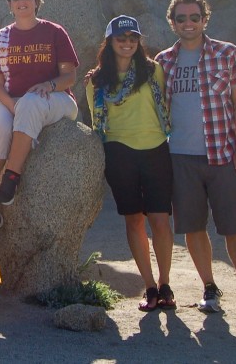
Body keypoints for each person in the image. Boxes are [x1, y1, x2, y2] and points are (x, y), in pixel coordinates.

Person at [155, 0, 236, 318]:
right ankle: (209, 287)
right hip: (180, 156)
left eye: (194, 17)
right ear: (172, 22)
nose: (189, 23)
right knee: (192, 227)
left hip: (222, 154)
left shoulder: (227, 54)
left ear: (205, 19)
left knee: (233, 226)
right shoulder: (163, 61)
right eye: (182, 18)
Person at [86, 15, 174, 312]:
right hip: (119, 153)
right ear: (109, 42)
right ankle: (149, 285)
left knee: (160, 219)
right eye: (121, 39)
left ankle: (165, 283)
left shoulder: (153, 71)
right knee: (134, 219)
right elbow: (98, 122)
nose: (127, 44)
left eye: (132, 39)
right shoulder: (96, 81)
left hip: (156, 149)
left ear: (139, 42)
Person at [0, 0, 79, 223]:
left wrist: (48, 84)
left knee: (32, 101)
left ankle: (12, 178)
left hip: (56, 99)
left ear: (37, 0)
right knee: (0, 127)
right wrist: (13, 106)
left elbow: (70, 77)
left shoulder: (55, 32)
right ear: (10, 4)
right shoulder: (0, 38)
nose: (21, 0)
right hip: (14, 99)